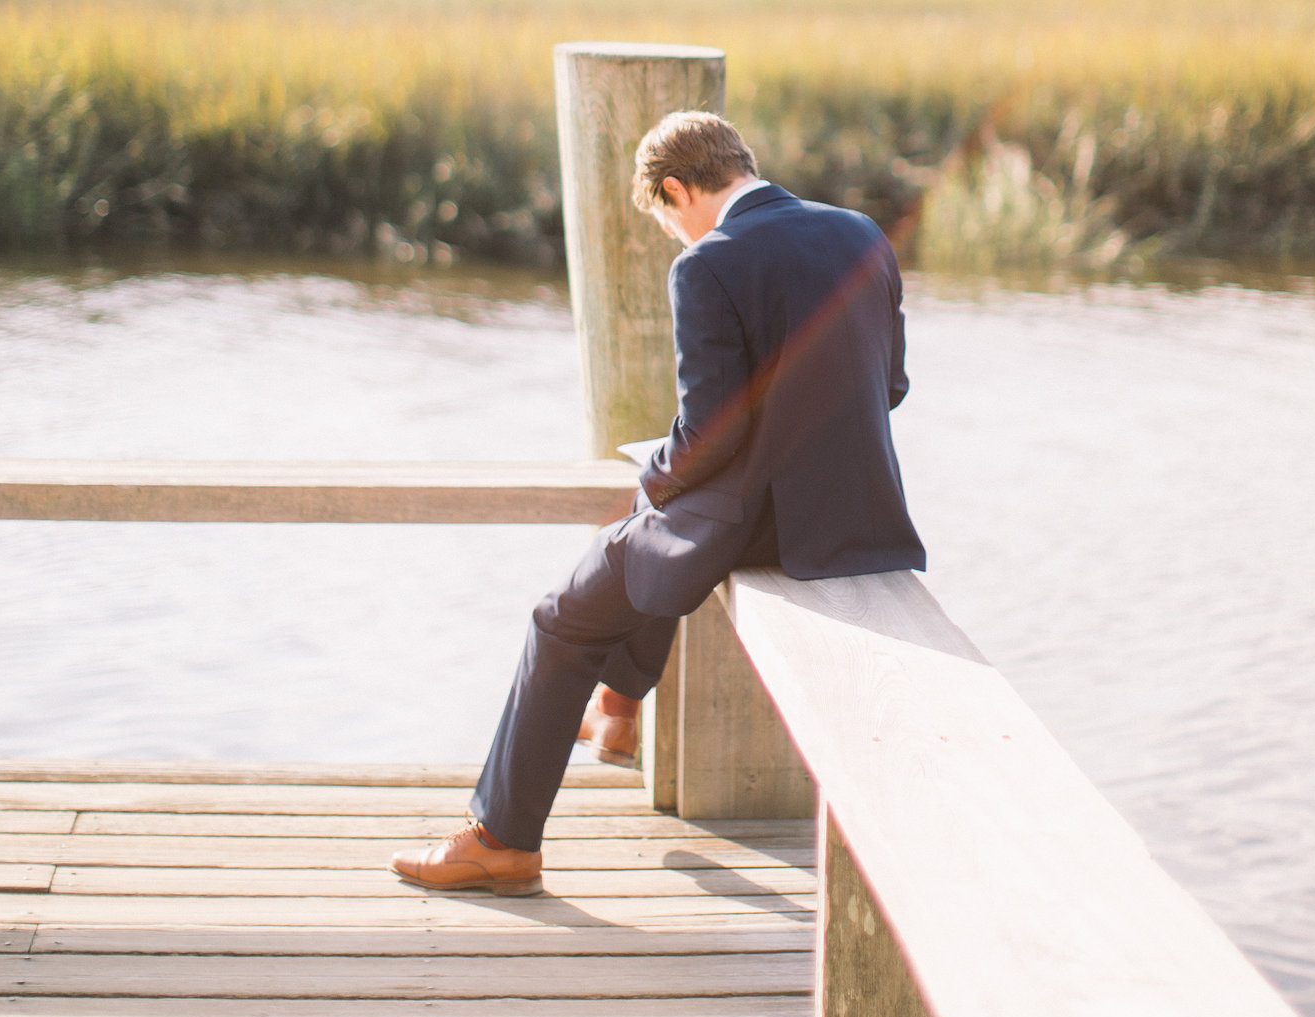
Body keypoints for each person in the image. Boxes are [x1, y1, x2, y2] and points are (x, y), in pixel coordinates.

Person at [393, 109, 924, 892]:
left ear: (675, 189)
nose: (677, 237)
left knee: (562, 614)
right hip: (857, 518)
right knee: (645, 539)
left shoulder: (708, 263)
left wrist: (656, 474)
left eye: (668, 219)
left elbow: (709, 434)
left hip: (757, 523)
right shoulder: (861, 235)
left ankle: (501, 838)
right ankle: (616, 702)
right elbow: (891, 387)